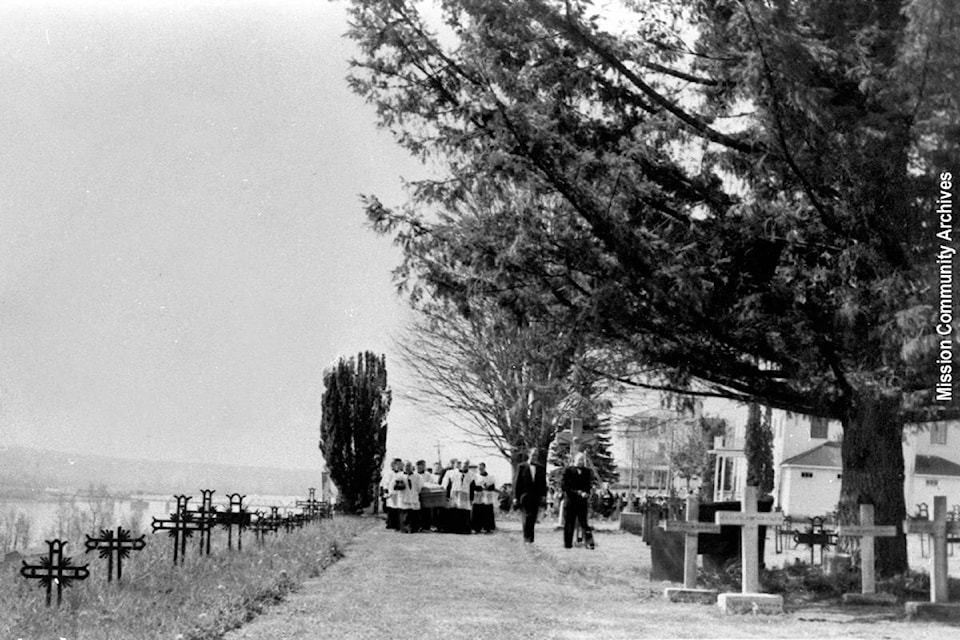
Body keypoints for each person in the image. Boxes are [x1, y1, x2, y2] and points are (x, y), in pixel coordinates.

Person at [512, 447, 547, 543]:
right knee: (526, 516)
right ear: (529, 454)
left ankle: (531, 538)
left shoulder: (540, 468)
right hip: (524, 496)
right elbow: (516, 483)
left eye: (536, 455)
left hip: (536, 496)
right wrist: (515, 497)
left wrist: (543, 496)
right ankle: (526, 537)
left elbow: (543, 484)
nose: (535, 457)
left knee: (533, 517)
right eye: (533, 454)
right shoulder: (521, 467)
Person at [561, 452, 595, 549]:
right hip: (571, 500)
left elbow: (588, 485)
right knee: (569, 523)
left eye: (582, 460)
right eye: (579, 460)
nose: (581, 462)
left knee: (584, 523)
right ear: (574, 460)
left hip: (582, 502)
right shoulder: (568, 470)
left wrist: (587, 493)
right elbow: (564, 486)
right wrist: (578, 492)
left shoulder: (586, 471)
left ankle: (589, 543)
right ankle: (568, 544)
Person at [443, 458, 475, 533]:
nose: (465, 465)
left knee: (464, 511)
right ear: (460, 464)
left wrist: (471, 498)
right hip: (454, 493)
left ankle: (464, 529)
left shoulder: (471, 475)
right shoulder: (452, 473)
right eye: (464, 463)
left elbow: (472, 487)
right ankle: (452, 528)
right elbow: (448, 485)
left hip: (465, 494)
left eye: (467, 464)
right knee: (454, 510)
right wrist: (447, 496)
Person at [472, 462, 497, 533]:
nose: (480, 469)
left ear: (484, 468)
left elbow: (493, 487)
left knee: (487, 512)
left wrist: (487, 487)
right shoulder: (475, 476)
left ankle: (487, 527)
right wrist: (479, 487)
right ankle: (477, 528)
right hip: (478, 496)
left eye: (482, 468)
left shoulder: (490, 476)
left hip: (487, 496)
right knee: (477, 512)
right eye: (479, 468)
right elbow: (473, 486)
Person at [399, 460, 423, 533]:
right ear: (403, 467)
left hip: (413, 496)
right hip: (404, 496)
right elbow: (394, 486)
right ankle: (405, 528)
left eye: (409, 466)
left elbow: (420, 486)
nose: (407, 468)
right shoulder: (400, 476)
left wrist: (415, 492)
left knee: (414, 513)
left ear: (411, 467)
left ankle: (414, 528)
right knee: (405, 514)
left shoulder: (417, 476)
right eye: (406, 466)